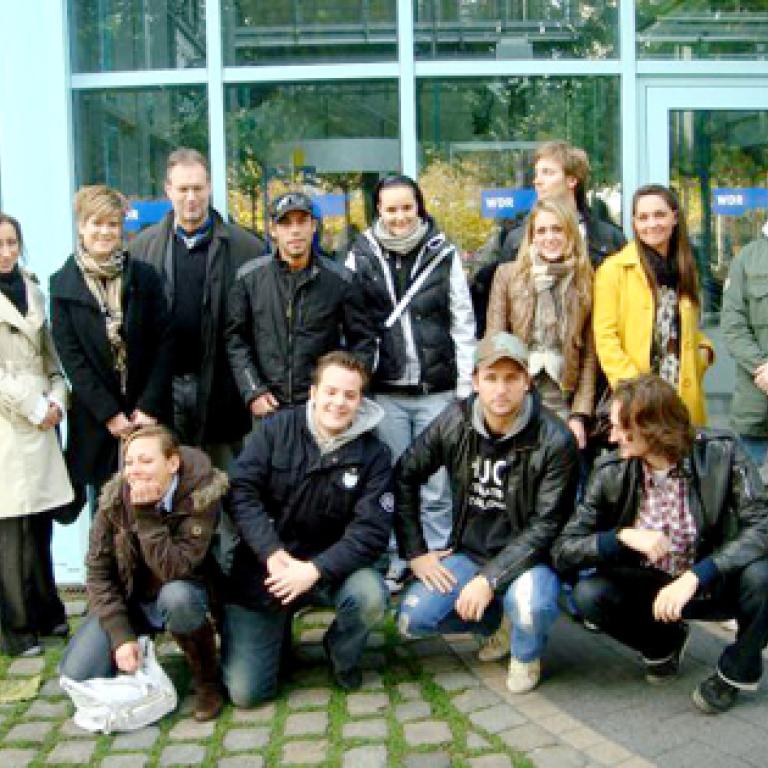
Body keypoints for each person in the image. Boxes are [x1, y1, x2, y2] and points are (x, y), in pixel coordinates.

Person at [552, 375, 768, 714]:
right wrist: (621, 537)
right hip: (652, 587)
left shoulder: (722, 451)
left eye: (621, 427)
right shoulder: (611, 470)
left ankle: (736, 672)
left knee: (763, 575)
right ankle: (664, 643)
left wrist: (699, 574)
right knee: (589, 595)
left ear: (653, 428)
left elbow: (762, 525)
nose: (612, 436)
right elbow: (563, 550)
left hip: (713, 581)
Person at [395, 332, 578, 693]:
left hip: (532, 558)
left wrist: (488, 579)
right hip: (471, 551)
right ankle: (496, 625)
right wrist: (416, 552)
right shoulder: (455, 421)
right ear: (476, 381)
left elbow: (547, 526)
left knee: (531, 607)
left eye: (511, 378)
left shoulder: (555, 440)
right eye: (491, 378)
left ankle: (526, 653)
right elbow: (404, 474)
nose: (501, 389)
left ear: (527, 381)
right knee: (411, 620)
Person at [222, 352, 392, 706]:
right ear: (313, 392)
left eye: (350, 395)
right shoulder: (273, 430)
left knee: (370, 594)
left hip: (332, 570)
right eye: (330, 391)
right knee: (246, 693)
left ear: (360, 400)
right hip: (267, 570)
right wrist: (270, 552)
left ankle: (340, 652)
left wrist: (315, 569)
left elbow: (371, 532)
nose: (338, 402)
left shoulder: (375, 455)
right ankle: (276, 631)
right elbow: (240, 492)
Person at [345, 175, 476, 590]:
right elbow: (352, 321)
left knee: (436, 483)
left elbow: (463, 322)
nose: (400, 217)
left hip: (436, 390)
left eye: (407, 207)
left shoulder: (443, 253)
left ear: (419, 207)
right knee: (392, 477)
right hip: (386, 391)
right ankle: (399, 558)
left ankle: (436, 555)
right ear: (378, 211)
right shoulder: (360, 254)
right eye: (391, 209)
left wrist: (464, 388)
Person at [59, 425, 228, 722]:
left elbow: (174, 569)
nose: (135, 470)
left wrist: (147, 514)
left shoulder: (201, 495)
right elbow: (98, 572)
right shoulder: (113, 501)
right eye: (129, 462)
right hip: (132, 598)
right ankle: (133, 661)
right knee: (78, 673)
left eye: (146, 461)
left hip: (184, 592)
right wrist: (120, 634)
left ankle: (207, 679)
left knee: (178, 597)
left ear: (172, 464)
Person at [128, 148, 265, 467]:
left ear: (210, 188)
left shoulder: (247, 248)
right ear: (168, 191)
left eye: (198, 188)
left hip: (223, 390)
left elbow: (257, 327)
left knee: (225, 488)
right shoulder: (141, 250)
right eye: (183, 189)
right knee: (166, 486)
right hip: (162, 392)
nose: (191, 197)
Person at [50, 185, 173, 509]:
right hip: (97, 422)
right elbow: (72, 359)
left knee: (152, 512)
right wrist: (111, 415)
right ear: (81, 226)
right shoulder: (62, 286)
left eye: (112, 224)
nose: (105, 232)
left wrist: (148, 407)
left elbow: (164, 344)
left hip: (146, 417)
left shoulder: (145, 277)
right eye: (97, 223)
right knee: (105, 518)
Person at [225, 192, 376, 418]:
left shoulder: (341, 281)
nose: (294, 230)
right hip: (269, 406)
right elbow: (236, 340)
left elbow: (363, 341)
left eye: (301, 221)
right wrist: (253, 390)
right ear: (273, 230)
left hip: (323, 408)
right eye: (285, 223)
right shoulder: (249, 279)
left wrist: (343, 391)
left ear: (313, 226)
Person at [0, 213, 73, 657]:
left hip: (43, 415)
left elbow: (51, 360)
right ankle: (15, 625)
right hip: (8, 422)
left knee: (40, 521)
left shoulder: (33, 291)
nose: (6, 250)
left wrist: (58, 400)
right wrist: (30, 406)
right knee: (10, 527)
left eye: (12, 242)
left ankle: (47, 610)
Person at [472, 140, 625, 336]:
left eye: (548, 172)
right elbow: (502, 305)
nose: (537, 180)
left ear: (572, 180)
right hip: (530, 355)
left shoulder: (609, 238)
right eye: (537, 173)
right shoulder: (516, 239)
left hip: (592, 352)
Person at [593, 184, 713, 426]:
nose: (652, 224)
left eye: (659, 215)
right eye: (643, 217)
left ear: (675, 217)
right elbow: (606, 338)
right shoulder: (614, 270)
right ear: (634, 223)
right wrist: (634, 391)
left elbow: (690, 328)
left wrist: (704, 353)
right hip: (638, 400)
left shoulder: (685, 267)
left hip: (681, 394)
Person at [486, 197, 596, 451]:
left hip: (563, 398)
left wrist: (579, 416)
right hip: (517, 395)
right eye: (542, 230)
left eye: (557, 229)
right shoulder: (508, 275)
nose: (550, 237)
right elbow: (495, 343)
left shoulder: (585, 280)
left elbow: (590, 356)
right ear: (532, 237)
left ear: (570, 233)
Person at [720, 221, 768, 467]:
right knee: (752, 497)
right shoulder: (747, 259)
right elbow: (733, 325)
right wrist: (763, 367)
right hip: (756, 407)